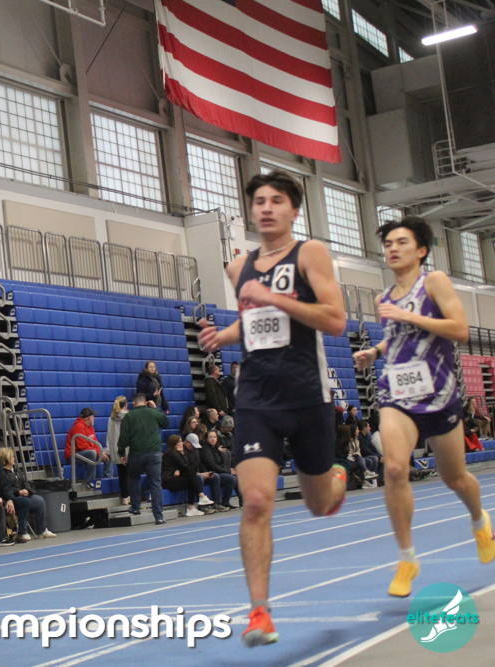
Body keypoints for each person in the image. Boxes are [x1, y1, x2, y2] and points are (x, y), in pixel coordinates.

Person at [198, 170, 348, 647]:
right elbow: (255, 320)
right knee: (258, 501)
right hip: (257, 399)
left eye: (276, 200)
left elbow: (336, 320)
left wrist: (274, 297)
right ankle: (259, 612)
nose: (266, 207)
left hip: (307, 396)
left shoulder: (310, 253)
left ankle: (336, 479)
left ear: (293, 211)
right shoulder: (238, 267)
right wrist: (224, 335)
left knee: (318, 504)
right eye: (259, 200)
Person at [353, 216, 494, 598]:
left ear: (421, 250)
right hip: (397, 393)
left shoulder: (434, 282)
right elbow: (399, 336)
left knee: (455, 477)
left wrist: (408, 314)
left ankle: (480, 522)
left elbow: (460, 329)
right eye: (388, 244)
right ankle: (407, 558)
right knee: (395, 467)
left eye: (401, 242)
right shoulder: (384, 297)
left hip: (439, 393)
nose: (393, 248)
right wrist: (375, 351)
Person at [117, 393, 170, 525]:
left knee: (133, 478)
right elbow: (166, 422)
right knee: (155, 483)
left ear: (133, 403)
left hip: (136, 453)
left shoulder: (129, 416)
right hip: (154, 454)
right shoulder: (154, 413)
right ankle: (159, 516)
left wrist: (122, 453)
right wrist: (156, 408)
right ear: (146, 402)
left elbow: (123, 437)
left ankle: (136, 506)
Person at [0, 447, 55, 541]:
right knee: (24, 502)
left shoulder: (16, 470)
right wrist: (18, 492)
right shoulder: (1, 473)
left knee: (39, 500)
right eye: (12, 457)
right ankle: (22, 532)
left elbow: (25, 482)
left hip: (24, 495)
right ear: (6, 458)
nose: (14, 459)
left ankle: (42, 530)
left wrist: (27, 490)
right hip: (13, 497)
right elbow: (6, 489)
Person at [163, 436, 217, 516]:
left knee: (191, 478)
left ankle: (193, 505)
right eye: (179, 442)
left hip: (177, 477)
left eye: (181, 441)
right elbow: (185, 467)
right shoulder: (171, 453)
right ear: (174, 444)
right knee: (191, 477)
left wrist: (182, 455)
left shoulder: (177, 453)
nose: (181, 443)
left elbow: (186, 467)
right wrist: (182, 455)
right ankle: (200, 498)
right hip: (169, 480)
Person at [65, 407, 107, 488]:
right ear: (88, 418)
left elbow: (95, 443)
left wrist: (101, 451)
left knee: (107, 452)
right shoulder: (78, 427)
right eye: (93, 416)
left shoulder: (90, 427)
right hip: (73, 456)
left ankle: (108, 478)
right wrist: (98, 452)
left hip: (84, 453)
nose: (94, 418)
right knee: (92, 453)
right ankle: (90, 481)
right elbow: (82, 446)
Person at [200, 429, 239, 510]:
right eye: (210, 437)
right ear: (206, 439)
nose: (213, 439)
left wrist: (221, 453)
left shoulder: (217, 448)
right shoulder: (205, 449)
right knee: (231, 478)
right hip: (210, 473)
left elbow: (222, 461)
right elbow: (212, 465)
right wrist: (227, 471)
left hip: (219, 471)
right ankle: (218, 503)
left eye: (214, 437)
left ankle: (229, 501)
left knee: (235, 476)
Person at [106, 396, 130, 504]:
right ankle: (132, 497)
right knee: (131, 474)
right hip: (128, 448)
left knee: (122, 474)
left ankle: (125, 497)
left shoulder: (111, 418)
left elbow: (109, 435)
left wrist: (110, 449)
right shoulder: (129, 416)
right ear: (126, 404)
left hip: (116, 448)